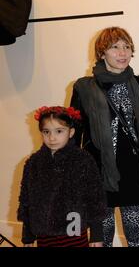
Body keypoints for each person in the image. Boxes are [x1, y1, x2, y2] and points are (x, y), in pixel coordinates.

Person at [70, 27, 139, 247]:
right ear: (101, 52)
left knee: (135, 236)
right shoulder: (84, 87)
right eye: (114, 47)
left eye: (126, 47)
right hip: (99, 176)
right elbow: (73, 134)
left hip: (135, 174)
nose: (122, 52)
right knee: (101, 238)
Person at [17, 106, 106, 247]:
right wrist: (27, 235)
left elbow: (95, 198)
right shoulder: (33, 162)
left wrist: (96, 234)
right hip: (44, 232)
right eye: (46, 132)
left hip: (73, 226)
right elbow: (27, 200)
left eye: (59, 131)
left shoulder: (83, 160)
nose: (52, 138)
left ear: (71, 132)